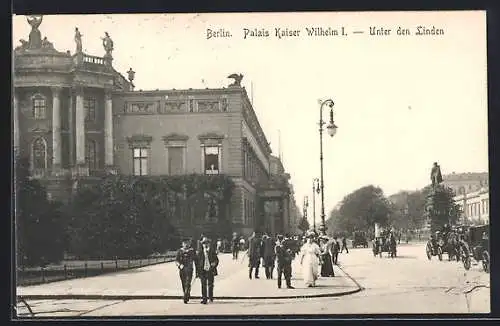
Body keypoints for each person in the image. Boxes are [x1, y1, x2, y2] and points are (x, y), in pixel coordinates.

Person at [195, 237, 219, 304]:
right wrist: (197, 272)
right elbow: (197, 263)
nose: (205, 245)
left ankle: (210, 297)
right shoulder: (200, 252)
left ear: (209, 244)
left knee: (210, 284)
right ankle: (204, 299)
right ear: (202, 244)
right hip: (202, 270)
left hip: (210, 270)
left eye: (207, 243)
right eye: (204, 243)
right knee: (203, 284)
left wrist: (214, 264)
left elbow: (216, 260)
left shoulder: (212, 251)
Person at [175, 238, 196, 304]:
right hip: (182, 269)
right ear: (182, 244)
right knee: (183, 283)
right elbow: (176, 260)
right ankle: (186, 293)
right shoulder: (180, 251)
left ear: (189, 244)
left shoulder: (192, 251)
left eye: (187, 243)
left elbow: (196, 260)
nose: (186, 244)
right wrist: (179, 265)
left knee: (188, 282)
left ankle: (185, 296)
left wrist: (198, 270)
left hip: (189, 269)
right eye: (185, 243)